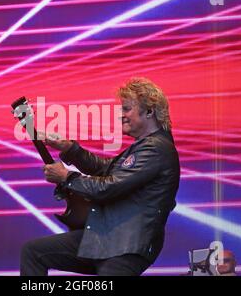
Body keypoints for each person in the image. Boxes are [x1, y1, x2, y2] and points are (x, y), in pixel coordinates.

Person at [20, 77, 180, 276]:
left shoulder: (155, 148)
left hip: (124, 248)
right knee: (33, 252)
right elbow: (107, 169)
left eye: (127, 109)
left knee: (34, 252)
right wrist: (69, 148)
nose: (121, 115)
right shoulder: (146, 146)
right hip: (107, 240)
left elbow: (108, 187)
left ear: (149, 111)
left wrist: (66, 177)